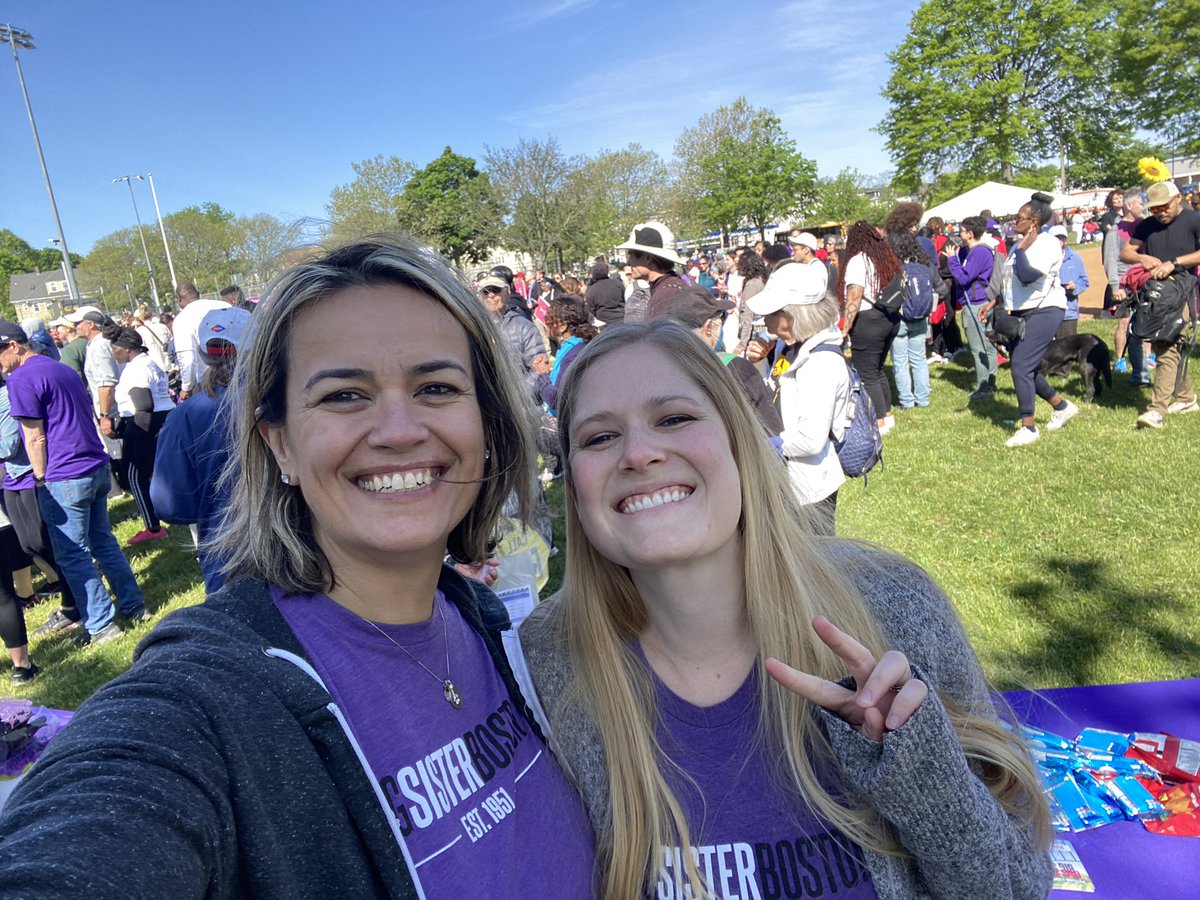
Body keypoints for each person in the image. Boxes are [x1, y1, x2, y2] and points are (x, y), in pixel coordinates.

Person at [0, 236, 596, 895]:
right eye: (344, 396)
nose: (399, 430)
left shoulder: (480, 618)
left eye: (436, 386)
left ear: (484, 422)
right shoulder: (219, 690)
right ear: (279, 441)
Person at [520, 320, 1053, 899]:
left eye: (674, 418)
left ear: (738, 443)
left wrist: (920, 771)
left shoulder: (891, 603)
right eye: (599, 437)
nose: (640, 453)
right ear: (572, 486)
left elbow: (1016, 889)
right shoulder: (546, 662)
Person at [0, 320, 146, 646]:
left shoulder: (21, 378)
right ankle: (134, 605)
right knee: (104, 542)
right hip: (94, 463)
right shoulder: (58, 366)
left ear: (14, 346)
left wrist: (39, 478)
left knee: (73, 555)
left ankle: (102, 625)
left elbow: (34, 437)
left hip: (63, 473)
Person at [151, 307, 252, 593]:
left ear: (201, 351)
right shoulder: (290, 399)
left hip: (226, 549)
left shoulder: (185, 416)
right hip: (301, 542)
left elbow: (170, 504)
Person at [746, 265, 848, 532]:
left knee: (814, 559)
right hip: (787, 480)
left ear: (792, 316)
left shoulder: (820, 364)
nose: (764, 320)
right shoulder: (789, 346)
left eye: (770, 313)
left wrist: (762, 446)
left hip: (808, 488)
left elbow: (811, 440)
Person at [980, 192, 1079, 447]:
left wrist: (1022, 249)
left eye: (1019, 218)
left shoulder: (1046, 243)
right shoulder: (1019, 244)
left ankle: (1028, 427)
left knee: (1021, 366)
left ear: (1034, 220)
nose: (1014, 222)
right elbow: (1010, 281)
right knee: (1026, 367)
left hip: (1046, 310)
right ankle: (1062, 407)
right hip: (1023, 310)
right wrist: (993, 303)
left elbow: (1026, 276)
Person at [1120, 180, 1200, 428]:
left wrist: (1174, 263)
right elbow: (1125, 252)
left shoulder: (1194, 220)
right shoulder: (1147, 225)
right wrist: (1141, 256)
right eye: (1154, 209)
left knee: (1167, 343)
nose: (1160, 213)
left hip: (1182, 290)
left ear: (1178, 199)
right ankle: (1186, 398)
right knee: (1163, 345)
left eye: (1164, 207)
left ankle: (1156, 411)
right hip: (1155, 292)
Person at [652, 285, 783, 437]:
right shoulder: (736, 368)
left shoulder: (657, 375)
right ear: (708, 328)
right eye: (720, 321)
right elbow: (771, 433)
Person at [111, 328, 176, 544]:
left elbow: (144, 404)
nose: (113, 352)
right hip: (162, 418)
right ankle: (173, 515)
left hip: (144, 424)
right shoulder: (148, 362)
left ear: (128, 349)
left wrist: (138, 439)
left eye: (115, 348)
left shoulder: (136, 369)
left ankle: (153, 526)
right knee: (162, 473)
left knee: (134, 475)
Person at [838, 221, 902, 435]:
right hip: (889, 318)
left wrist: (845, 328)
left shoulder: (858, 261)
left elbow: (854, 296)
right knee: (877, 369)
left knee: (866, 372)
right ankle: (887, 415)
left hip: (868, 320)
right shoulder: (884, 258)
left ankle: (879, 421)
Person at [888, 230, 946, 409]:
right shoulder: (925, 264)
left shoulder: (893, 266)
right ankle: (923, 399)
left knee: (900, 362)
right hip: (921, 318)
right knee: (919, 359)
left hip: (900, 318)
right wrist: (928, 304)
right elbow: (943, 290)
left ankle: (906, 401)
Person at [946, 216, 1000, 399]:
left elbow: (964, 278)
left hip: (976, 304)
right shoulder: (974, 251)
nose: (959, 234)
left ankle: (984, 387)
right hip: (982, 301)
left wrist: (952, 261)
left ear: (970, 234)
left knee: (979, 348)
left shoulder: (978, 253)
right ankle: (990, 383)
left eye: (961, 231)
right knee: (988, 345)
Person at [1104, 187, 1149, 384]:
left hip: (1145, 281)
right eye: (1140, 203)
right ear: (1129, 206)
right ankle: (1120, 359)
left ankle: (1148, 358)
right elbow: (1110, 260)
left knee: (1147, 321)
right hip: (1125, 283)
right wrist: (1116, 287)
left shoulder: (1146, 226)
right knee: (1124, 323)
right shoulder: (1116, 231)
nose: (1143, 207)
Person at [532, 295, 597, 416]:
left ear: (562, 326)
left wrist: (542, 374)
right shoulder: (572, 347)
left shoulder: (574, 353)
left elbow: (557, 400)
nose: (544, 323)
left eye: (548, 319)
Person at [170, 282, 231, 400]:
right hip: (241, 371)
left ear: (179, 299)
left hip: (210, 382)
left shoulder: (182, 319)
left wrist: (186, 388)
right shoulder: (224, 305)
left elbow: (187, 359)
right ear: (198, 294)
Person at [619, 221, 687, 320]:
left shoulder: (664, 296)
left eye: (632, 255)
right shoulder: (670, 286)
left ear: (648, 258)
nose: (629, 262)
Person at [1050, 225, 1089, 338]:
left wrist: (1075, 287)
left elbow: (1084, 281)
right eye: (1056, 238)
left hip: (1068, 312)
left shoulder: (1074, 258)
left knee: (1067, 349)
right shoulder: (1044, 258)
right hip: (1049, 311)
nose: (1060, 241)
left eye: (1062, 237)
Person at [584, 260, 624, 326]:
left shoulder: (592, 289)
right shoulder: (618, 284)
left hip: (603, 323)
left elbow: (590, 309)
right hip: (621, 319)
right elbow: (625, 299)